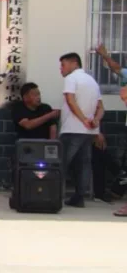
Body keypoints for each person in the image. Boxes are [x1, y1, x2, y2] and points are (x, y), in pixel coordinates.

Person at [58, 52, 103, 208]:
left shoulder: (71, 78)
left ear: (74, 63)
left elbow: (70, 100)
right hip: (89, 131)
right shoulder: (92, 81)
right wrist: (95, 120)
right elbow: (101, 107)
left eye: (63, 65)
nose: (61, 69)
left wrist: (83, 119)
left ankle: (54, 194)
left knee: (61, 162)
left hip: (72, 128)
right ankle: (79, 197)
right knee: (83, 164)